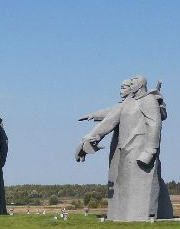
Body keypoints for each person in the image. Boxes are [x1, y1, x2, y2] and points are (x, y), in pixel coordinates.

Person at [75, 75, 174, 221]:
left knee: (140, 188)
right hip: (125, 149)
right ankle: (123, 215)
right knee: (122, 185)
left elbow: (155, 125)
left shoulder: (148, 101)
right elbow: (111, 116)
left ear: (139, 85)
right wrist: (88, 139)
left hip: (139, 150)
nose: (128, 86)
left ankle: (144, 216)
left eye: (131, 83)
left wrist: (150, 151)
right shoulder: (130, 103)